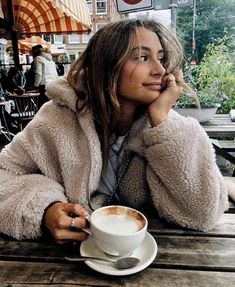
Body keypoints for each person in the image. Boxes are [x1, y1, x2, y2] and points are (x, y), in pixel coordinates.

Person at [0, 19, 231, 244]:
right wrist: (44, 209)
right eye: (143, 57)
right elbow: (5, 172)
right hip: (62, 260)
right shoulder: (57, 118)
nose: (160, 70)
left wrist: (161, 119)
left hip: (154, 256)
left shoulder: (168, 129)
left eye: (161, 58)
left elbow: (204, 213)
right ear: (106, 66)